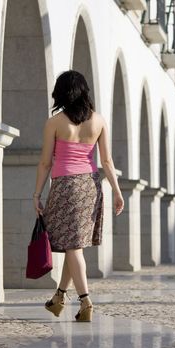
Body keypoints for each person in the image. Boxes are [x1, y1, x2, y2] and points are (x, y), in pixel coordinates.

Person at [33, 70, 124, 322]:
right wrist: (117, 192)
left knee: (73, 247)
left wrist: (36, 193)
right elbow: (106, 160)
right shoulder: (99, 121)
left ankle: (85, 301)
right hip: (90, 186)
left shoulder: (55, 122)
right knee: (75, 246)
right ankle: (59, 297)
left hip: (65, 187)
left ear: (62, 92)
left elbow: (44, 163)